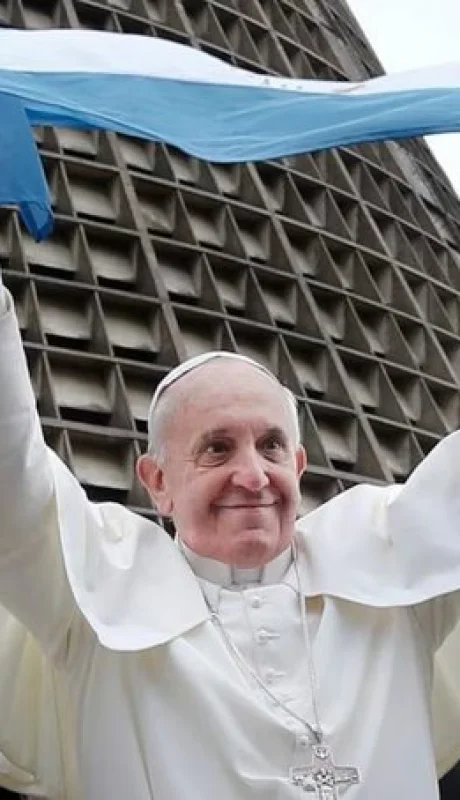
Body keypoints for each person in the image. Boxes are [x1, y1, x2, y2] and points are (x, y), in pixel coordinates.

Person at [1, 271, 460, 800]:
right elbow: (10, 476)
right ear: (158, 483)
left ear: (300, 464)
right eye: (217, 448)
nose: (253, 475)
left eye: (271, 447)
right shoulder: (92, 593)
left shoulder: (393, 564)